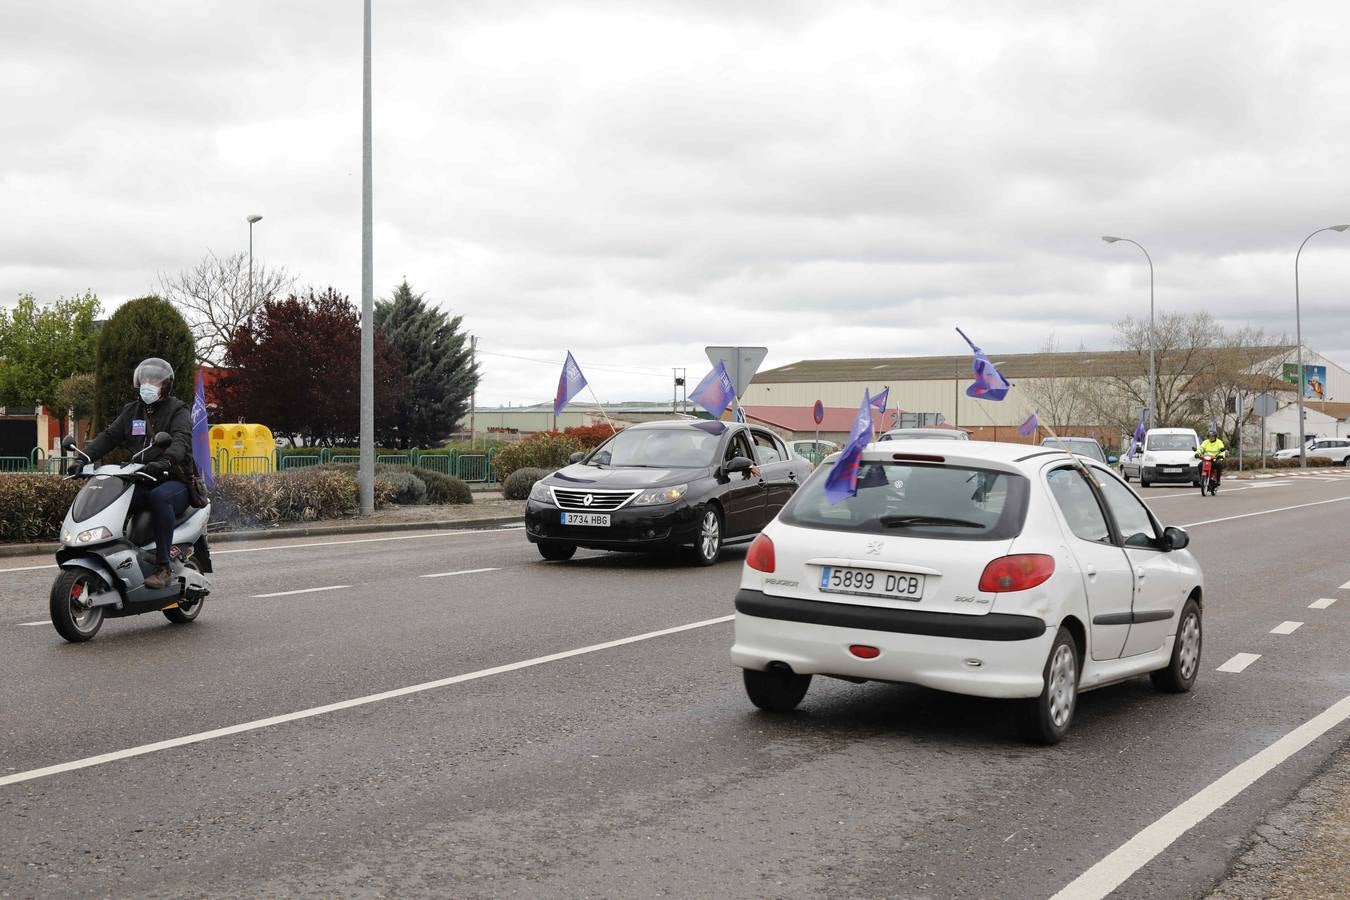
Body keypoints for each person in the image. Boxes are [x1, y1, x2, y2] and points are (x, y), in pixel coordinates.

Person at [76, 358, 193, 588]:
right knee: (110, 495)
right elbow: (109, 436)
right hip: (142, 476)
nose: (148, 384)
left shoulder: (178, 410)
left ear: (166, 385)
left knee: (159, 497)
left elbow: (181, 440)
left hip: (174, 480)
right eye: (145, 380)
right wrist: (83, 458)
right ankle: (116, 556)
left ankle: (163, 567)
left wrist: (166, 460)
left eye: (154, 381)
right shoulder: (132, 411)